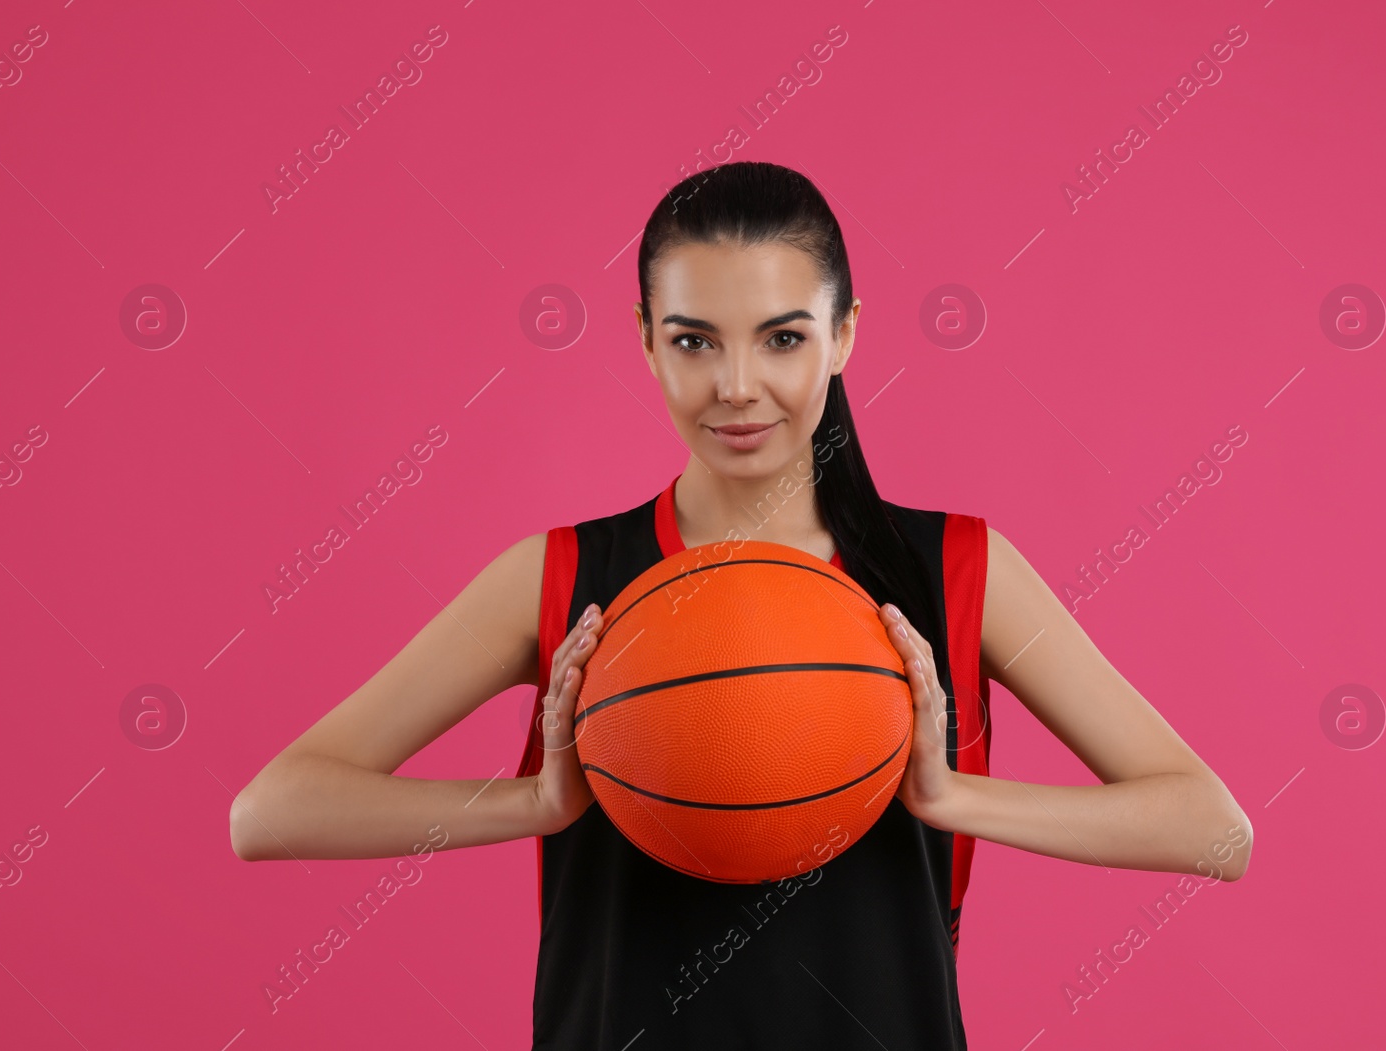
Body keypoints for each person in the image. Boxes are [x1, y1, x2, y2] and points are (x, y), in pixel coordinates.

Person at [230, 160, 1253, 1049]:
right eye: (692, 341)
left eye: (780, 337)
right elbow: (271, 809)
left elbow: (1214, 829)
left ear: (844, 334)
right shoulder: (560, 575)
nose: (735, 385)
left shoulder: (955, 568)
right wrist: (532, 803)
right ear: (642, 338)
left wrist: (948, 795)